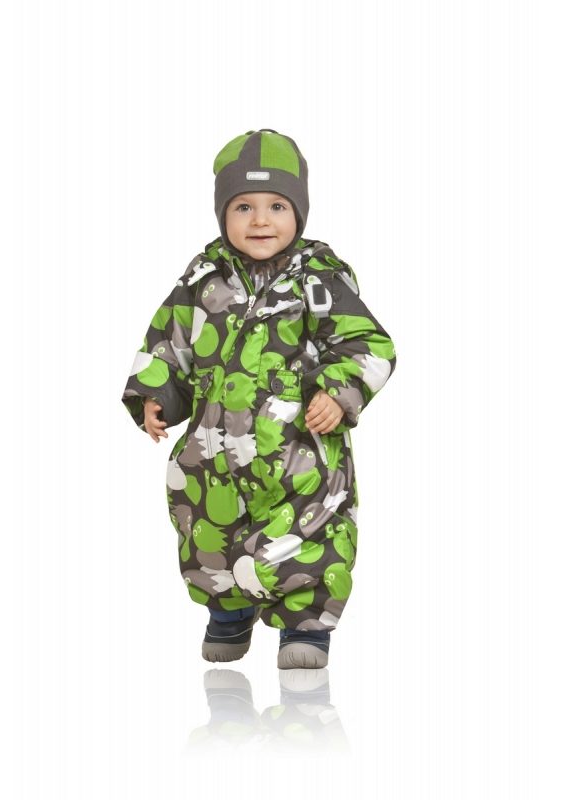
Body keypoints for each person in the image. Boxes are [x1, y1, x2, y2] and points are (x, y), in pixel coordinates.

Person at [121, 128, 397, 669]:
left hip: (297, 450)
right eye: (243, 207)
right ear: (222, 212)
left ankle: (305, 627)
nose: (260, 221)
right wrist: (156, 395)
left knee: (307, 533)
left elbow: (367, 344)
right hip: (211, 451)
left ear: (299, 212)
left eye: (277, 206)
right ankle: (228, 611)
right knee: (205, 526)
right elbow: (167, 343)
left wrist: (338, 392)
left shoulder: (318, 280)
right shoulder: (202, 281)